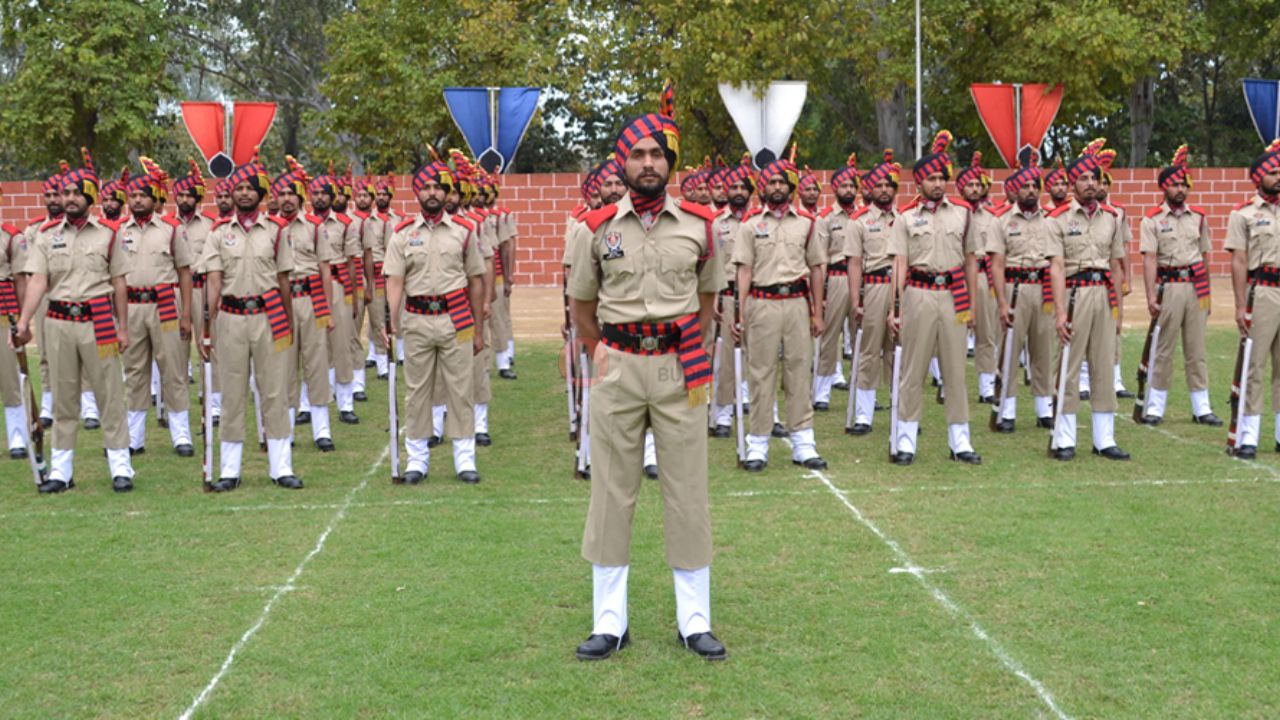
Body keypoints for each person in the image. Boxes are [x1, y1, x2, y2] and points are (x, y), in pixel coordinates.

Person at [567, 86, 727, 661]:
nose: (649, 163)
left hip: (680, 368)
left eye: (658, 154)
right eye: (638, 154)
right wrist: (604, 353)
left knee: (687, 491)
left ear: (671, 162)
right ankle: (610, 622)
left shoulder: (702, 226)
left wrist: (687, 350)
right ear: (623, 163)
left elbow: (707, 301)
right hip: (618, 367)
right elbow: (582, 307)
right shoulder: (595, 228)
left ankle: (694, 619)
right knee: (612, 492)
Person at [10, 148, 136, 493]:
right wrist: (24, 322)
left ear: (90, 196)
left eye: (75, 193)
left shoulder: (109, 234)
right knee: (64, 398)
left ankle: (121, 466)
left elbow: (119, 284)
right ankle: (61, 472)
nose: (68, 198)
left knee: (110, 394)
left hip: (99, 321)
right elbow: (38, 280)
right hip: (59, 321)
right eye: (64, 192)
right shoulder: (47, 234)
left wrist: (123, 328)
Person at [200, 149, 301, 490]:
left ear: (260, 194)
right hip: (230, 317)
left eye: (249, 188)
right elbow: (214, 281)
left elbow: (284, 279)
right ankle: (230, 471)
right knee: (231, 393)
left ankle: (281, 467)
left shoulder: (276, 230)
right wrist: (207, 326)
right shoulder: (218, 233)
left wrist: (288, 321)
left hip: (268, 315)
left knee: (274, 391)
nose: (243, 193)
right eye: (238, 188)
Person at [383, 152, 487, 484]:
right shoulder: (402, 233)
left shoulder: (464, 231)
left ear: (446, 193)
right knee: (417, 391)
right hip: (416, 319)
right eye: (425, 187)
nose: (432, 192)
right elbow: (395, 281)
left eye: (437, 187)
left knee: (461, 389)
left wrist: (479, 329)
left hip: (456, 319)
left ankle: (464, 460)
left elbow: (476, 281)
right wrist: (391, 323)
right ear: (417, 192)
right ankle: (417, 460)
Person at [889, 131, 982, 465]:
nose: (939, 183)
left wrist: (972, 305)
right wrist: (895, 308)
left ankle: (960, 442)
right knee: (913, 370)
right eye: (932, 178)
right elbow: (899, 265)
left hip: (954, 295)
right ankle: (905, 440)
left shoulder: (963, 214)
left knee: (955, 371)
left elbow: (971, 261)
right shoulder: (905, 217)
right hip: (919, 293)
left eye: (942, 177)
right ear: (919, 183)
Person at [732, 151, 829, 472]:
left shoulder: (807, 224)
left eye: (781, 182)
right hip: (762, 303)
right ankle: (758, 443)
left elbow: (817, 268)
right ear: (762, 187)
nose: (776, 187)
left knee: (799, 371)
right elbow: (744, 270)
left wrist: (817, 312)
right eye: (771, 182)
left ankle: (803, 441)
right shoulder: (750, 225)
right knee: (761, 373)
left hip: (798, 302)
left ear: (791, 187)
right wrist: (740, 313)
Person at [1046, 138, 1130, 461]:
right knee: (1069, 366)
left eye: (1095, 177)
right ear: (1072, 184)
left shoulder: (1112, 217)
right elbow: (1056, 268)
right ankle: (1065, 437)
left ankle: (1104, 438)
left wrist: (1119, 309)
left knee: (1104, 364)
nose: (1091, 183)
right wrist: (1059, 313)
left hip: (1104, 294)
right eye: (1083, 178)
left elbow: (1116, 265)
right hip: (1074, 293)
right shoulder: (1057, 219)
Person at [1136, 144, 1220, 427]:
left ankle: (1202, 407)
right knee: (1163, 349)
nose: (1181, 189)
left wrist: (1207, 295)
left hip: (1195, 286)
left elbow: (1205, 257)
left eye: (1184, 184)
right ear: (1164, 187)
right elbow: (1149, 259)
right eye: (1175, 184)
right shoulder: (1152, 219)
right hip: (1169, 286)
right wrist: (1150, 295)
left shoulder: (1198, 217)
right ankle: (1155, 407)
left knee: (1196, 350)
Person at [119, 157, 195, 456]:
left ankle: (181, 435)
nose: (137, 200)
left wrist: (186, 314)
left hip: (165, 304)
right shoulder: (119, 231)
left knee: (173, 369)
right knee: (135, 371)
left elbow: (185, 272)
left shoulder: (171, 229)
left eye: (143, 195)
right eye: (133, 196)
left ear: (154, 199)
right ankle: (134, 437)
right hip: (132, 306)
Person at [274, 156, 338, 451]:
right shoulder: (270, 227)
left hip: (311, 300)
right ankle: (285, 430)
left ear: (301, 197)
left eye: (292, 193)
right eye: (282, 194)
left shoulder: (314, 226)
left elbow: (325, 268)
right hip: (280, 303)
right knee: (285, 366)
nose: (287, 199)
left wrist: (328, 310)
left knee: (316, 364)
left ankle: (321, 430)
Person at [989, 154, 1056, 432]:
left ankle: (1044, 409)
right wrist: (1002, 302)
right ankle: (1007, 410)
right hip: (1014, 288)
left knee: (1043, 350)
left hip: (1044, 288)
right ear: (1015, 190)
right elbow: (996, 264)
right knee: (1009, 351)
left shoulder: (1052, 220)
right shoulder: (1001, 220)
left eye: (1034, 186)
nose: (1030, 190)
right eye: (1025, 186)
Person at [1222, 138, 1280, 458]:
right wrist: (1239, 304)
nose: (1279, 176)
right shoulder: (1243, 214)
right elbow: (1239, 261)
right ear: (1258, 178)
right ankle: (1249, 436)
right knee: (1254, 364)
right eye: (1273, 172)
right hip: (1263, 292)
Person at [845, 150, 902, 435]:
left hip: (902, 287)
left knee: (899, 350)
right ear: (870, 188)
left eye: (888, 185)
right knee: (869, 350)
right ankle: (864, 415)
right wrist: (855, 300)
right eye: (878, 185)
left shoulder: (906, 218)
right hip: (875, 285)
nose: (883, 190)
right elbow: (854, 263)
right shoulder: (859, 221)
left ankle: (901, 412)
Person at [708, 156, 758, 437]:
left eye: (743, 187)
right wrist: (715, 296)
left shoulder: (759, 221)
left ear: (750, 192)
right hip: (727, 296)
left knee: (760, 356)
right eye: (733, 187)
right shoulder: (716, 223)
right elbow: (712, 264)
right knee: (725, 358)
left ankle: (767, 413)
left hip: (759, 296)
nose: (738, 192)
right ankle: (724, 414)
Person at [309, 167, 362, 425]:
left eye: (323, 193)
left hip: (338, 286)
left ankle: (345, 404)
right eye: (315, 193)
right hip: (309, 288)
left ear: (332, 197)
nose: (319, 197)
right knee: (312, 347)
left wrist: (353, 297)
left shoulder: (345, 224)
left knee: (341, 345)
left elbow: (352, 262)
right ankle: (307, 404)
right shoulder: (302, 224)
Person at [173, 159, 220, 424]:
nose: (184, 199)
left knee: (208, 346)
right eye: (180, 194)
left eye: (189, 195)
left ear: (198, 197)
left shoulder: (210, 224)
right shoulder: (168, 225)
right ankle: (178, 408)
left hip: (201, 288)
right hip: (176, 292)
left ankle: (212, 402)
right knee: (176, 349)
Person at [813, 153, 860, 410]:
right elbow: (820, 258)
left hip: (863, 279)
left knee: (862, 336)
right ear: (834, 188)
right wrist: (820, 294)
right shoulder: (826, 218)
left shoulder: (864, 216)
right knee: (830, 336)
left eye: (852, 185)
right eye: (844, 185)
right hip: (837, 278)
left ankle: (863, 392)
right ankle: (822, 393)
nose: (848, 190)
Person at [956, 153, 1000, 404]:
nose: (974, 189)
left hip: (984, 277)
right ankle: (950, 383)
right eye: (969, 185)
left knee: (986, 332)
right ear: (960, 188)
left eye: (977, 185)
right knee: (954, 334)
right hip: (956, 277)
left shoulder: (992, 216)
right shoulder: (954, 214)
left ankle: (986, 387)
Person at [1, 189, 30, 459]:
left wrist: (23, 320)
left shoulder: (11, 237)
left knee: (9, 376)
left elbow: (21, 281)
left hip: (3, 312)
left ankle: (17, 437)